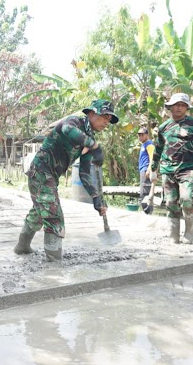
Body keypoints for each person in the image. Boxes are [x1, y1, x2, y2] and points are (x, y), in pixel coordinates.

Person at [14, 99, 119, 262]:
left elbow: (84, 172)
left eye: (109, 119)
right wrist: (95, 146)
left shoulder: (89, 140)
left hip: (51, 177)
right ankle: (53, 262)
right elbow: (66, 129)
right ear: (91, 113)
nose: (106, 122)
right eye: (104, 116)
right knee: (53, 214)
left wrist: (95, 197)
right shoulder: (75, 122)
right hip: (41, 171)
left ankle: (22, 246)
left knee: (40, 212)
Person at [150, 93, 193, 244]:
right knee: (170, 203)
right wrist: (153, 169)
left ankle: (189, 229)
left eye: (182, 105)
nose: (179, 108)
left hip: (188, 169)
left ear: (186, 108)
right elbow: (158, 149)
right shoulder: (163, 128)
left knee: (187, 200)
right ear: (170, 107)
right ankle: (173, 234)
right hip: (168, 171)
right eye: (176, 105)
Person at [138, 127, 155, 214]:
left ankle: (148, 211)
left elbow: (152, 157)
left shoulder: (149, 144)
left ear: (147, 135)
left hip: (146, 170)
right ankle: (147, 210)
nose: (140, 137)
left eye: (142, 135)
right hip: (142, 169)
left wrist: (149, 169)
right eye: (139, 135)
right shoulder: (143, 145)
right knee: (143, 190)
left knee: (145, 191)